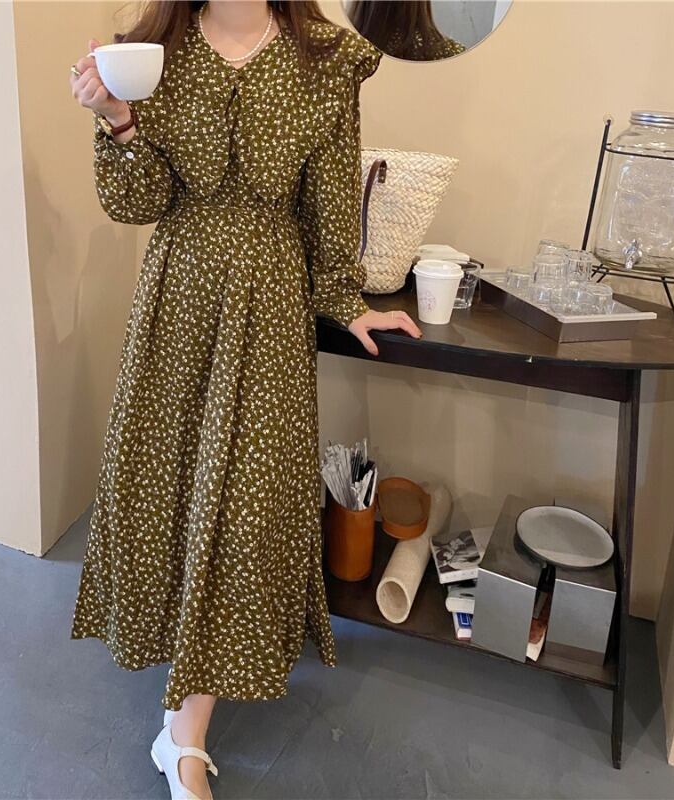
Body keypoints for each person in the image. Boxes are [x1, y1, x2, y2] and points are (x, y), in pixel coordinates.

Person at [68, 2, 422, 798]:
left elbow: (329, 203)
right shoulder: (153, 52)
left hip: (268, 308)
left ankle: (183, 732)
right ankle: (183, 713)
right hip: (178, 299)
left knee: (245, 506)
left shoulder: (325, 57)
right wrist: (117, 119)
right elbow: (138, 202)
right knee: (170, 488)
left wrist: (348, 300)